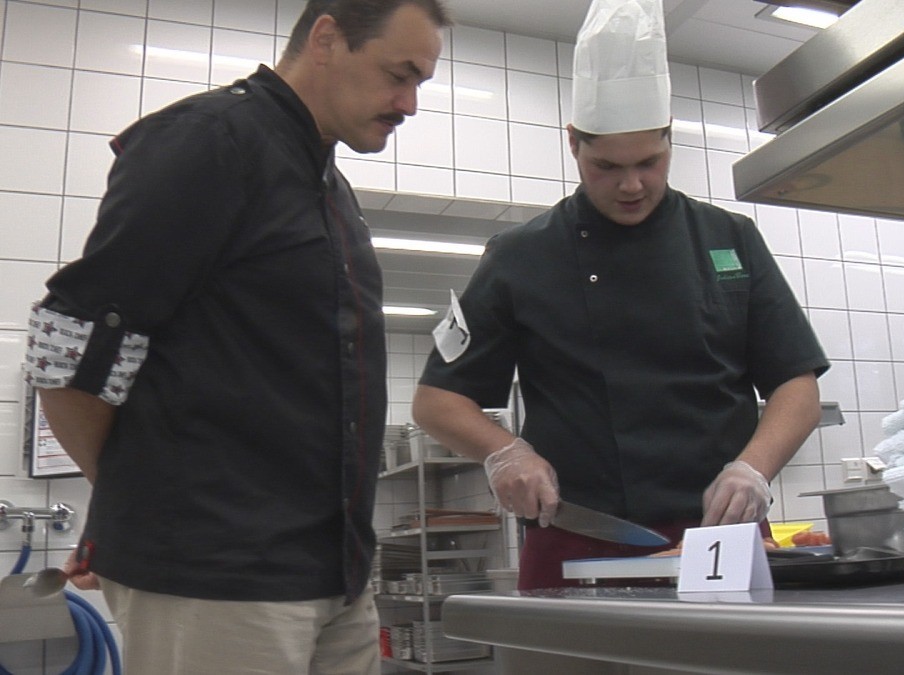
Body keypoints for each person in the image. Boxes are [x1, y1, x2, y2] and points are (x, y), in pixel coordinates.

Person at [21, 0, 449, 672]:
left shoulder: (331, 189)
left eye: (420, 82)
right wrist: (133, 501)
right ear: (326, 38)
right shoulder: (211, 141)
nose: (410, 104)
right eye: (399, 75)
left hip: (334, 572)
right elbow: (71, 347)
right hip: (214, 572)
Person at [412, 0, 828, 591]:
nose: (632, 185)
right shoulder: (519, 256)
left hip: (720, 534)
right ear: (573, 143)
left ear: (669, 139)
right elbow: (437, 401)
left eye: (649, 162)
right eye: (607, 166)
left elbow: (797, 386)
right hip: (576, 536)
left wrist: (753, 468)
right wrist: (506, 453)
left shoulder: (729, 238)